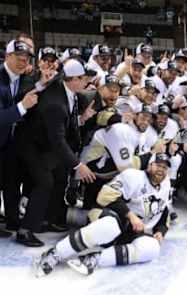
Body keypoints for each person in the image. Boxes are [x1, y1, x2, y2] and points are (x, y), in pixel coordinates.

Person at [33, 153, 172, 277]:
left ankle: (94, 259)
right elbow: (104, 196)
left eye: (165, 168)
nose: (161, 170)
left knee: (152, 248)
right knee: (110, 227)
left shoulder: (166, 185)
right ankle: (55, 253)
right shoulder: (133, 176)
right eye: (158, 165)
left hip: (130, 231)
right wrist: (130, 215)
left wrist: (161, 231)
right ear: (149, 166)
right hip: (108, 216)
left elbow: (164, 210)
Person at [16, 59, 97, 247]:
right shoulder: (56, 104)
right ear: (73, 80)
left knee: (60, 174)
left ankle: (48, 219)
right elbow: (58, 140)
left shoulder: (69, 92)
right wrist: (78, 165)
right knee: (45, 182)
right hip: (33, 146)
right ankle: (25, 230)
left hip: (47, 146)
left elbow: (63, 128)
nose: (87, 82)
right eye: (84, 78)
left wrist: (81, 119)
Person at [0, 40, 40, 237]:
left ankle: (12, 221)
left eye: (26, 58)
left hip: (11, 144)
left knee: (12, 182)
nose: (23, 61)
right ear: (7, 56)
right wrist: (22, 107)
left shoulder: (23, 77)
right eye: (18, 57)